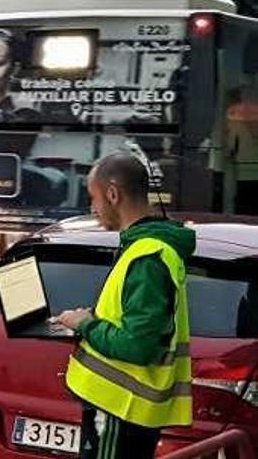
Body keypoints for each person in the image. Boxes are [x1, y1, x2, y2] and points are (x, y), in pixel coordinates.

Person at [56, 153, 195, 459]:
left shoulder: (147, 257)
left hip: (120, 407)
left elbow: (137, 346)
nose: (92, 209)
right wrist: (91, 319)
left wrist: (85, 325)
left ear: (113, 194)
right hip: (123, 409)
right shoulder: (146, 248)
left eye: (93, 198)